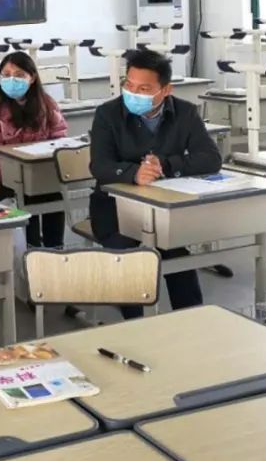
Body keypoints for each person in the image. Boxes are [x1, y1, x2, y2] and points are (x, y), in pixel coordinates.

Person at [88, 49, 222, 318]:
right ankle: (135, 324)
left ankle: (193, 320)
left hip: (164, 210)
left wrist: (167, 165)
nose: (133, 93)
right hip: (115, 210)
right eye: (129, 85)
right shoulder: (107, 114)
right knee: (127, 257)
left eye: (144, 88)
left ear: (166, 90)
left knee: (177, 254)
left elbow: (210, 158)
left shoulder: (185, 113)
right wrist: (133, 173)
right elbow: (99, 166)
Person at [0, 51, 69, 248]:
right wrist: (13, 175)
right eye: (6, 75)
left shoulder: (46, 104)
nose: (12, 80)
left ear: (32, 78)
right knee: (24, 197)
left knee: (54, 192)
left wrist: (39, 172)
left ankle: (56, 249)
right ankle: (30, 249)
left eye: (20, 75)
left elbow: (59, 140)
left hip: (38, 175)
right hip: (0, 177)